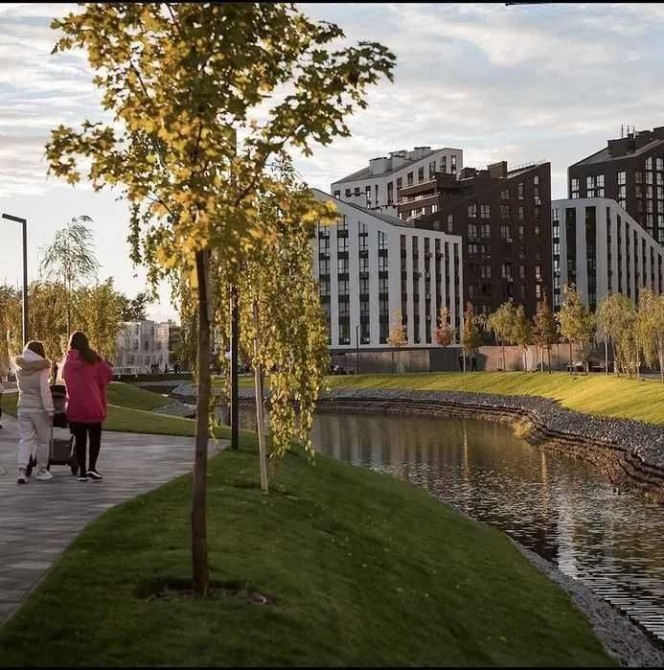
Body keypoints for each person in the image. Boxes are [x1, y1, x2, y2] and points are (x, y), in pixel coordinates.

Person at [62, 331, 113, 482]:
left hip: (75, 407)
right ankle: (92, 468)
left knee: (80, 440)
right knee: (95, 438)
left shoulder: (68, 364)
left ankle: (82, 472)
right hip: (93, 406)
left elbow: (66, 381)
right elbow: (107, 375)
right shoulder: (93, 361)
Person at [14, 341, 55, 484]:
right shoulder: (42, 369)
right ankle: (42, 470)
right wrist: (50, 410)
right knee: (43, 441)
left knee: (26, 439)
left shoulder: (20, 368)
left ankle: (22, 470)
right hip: (38, 409)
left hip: (23, 407)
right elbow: (45, 391)